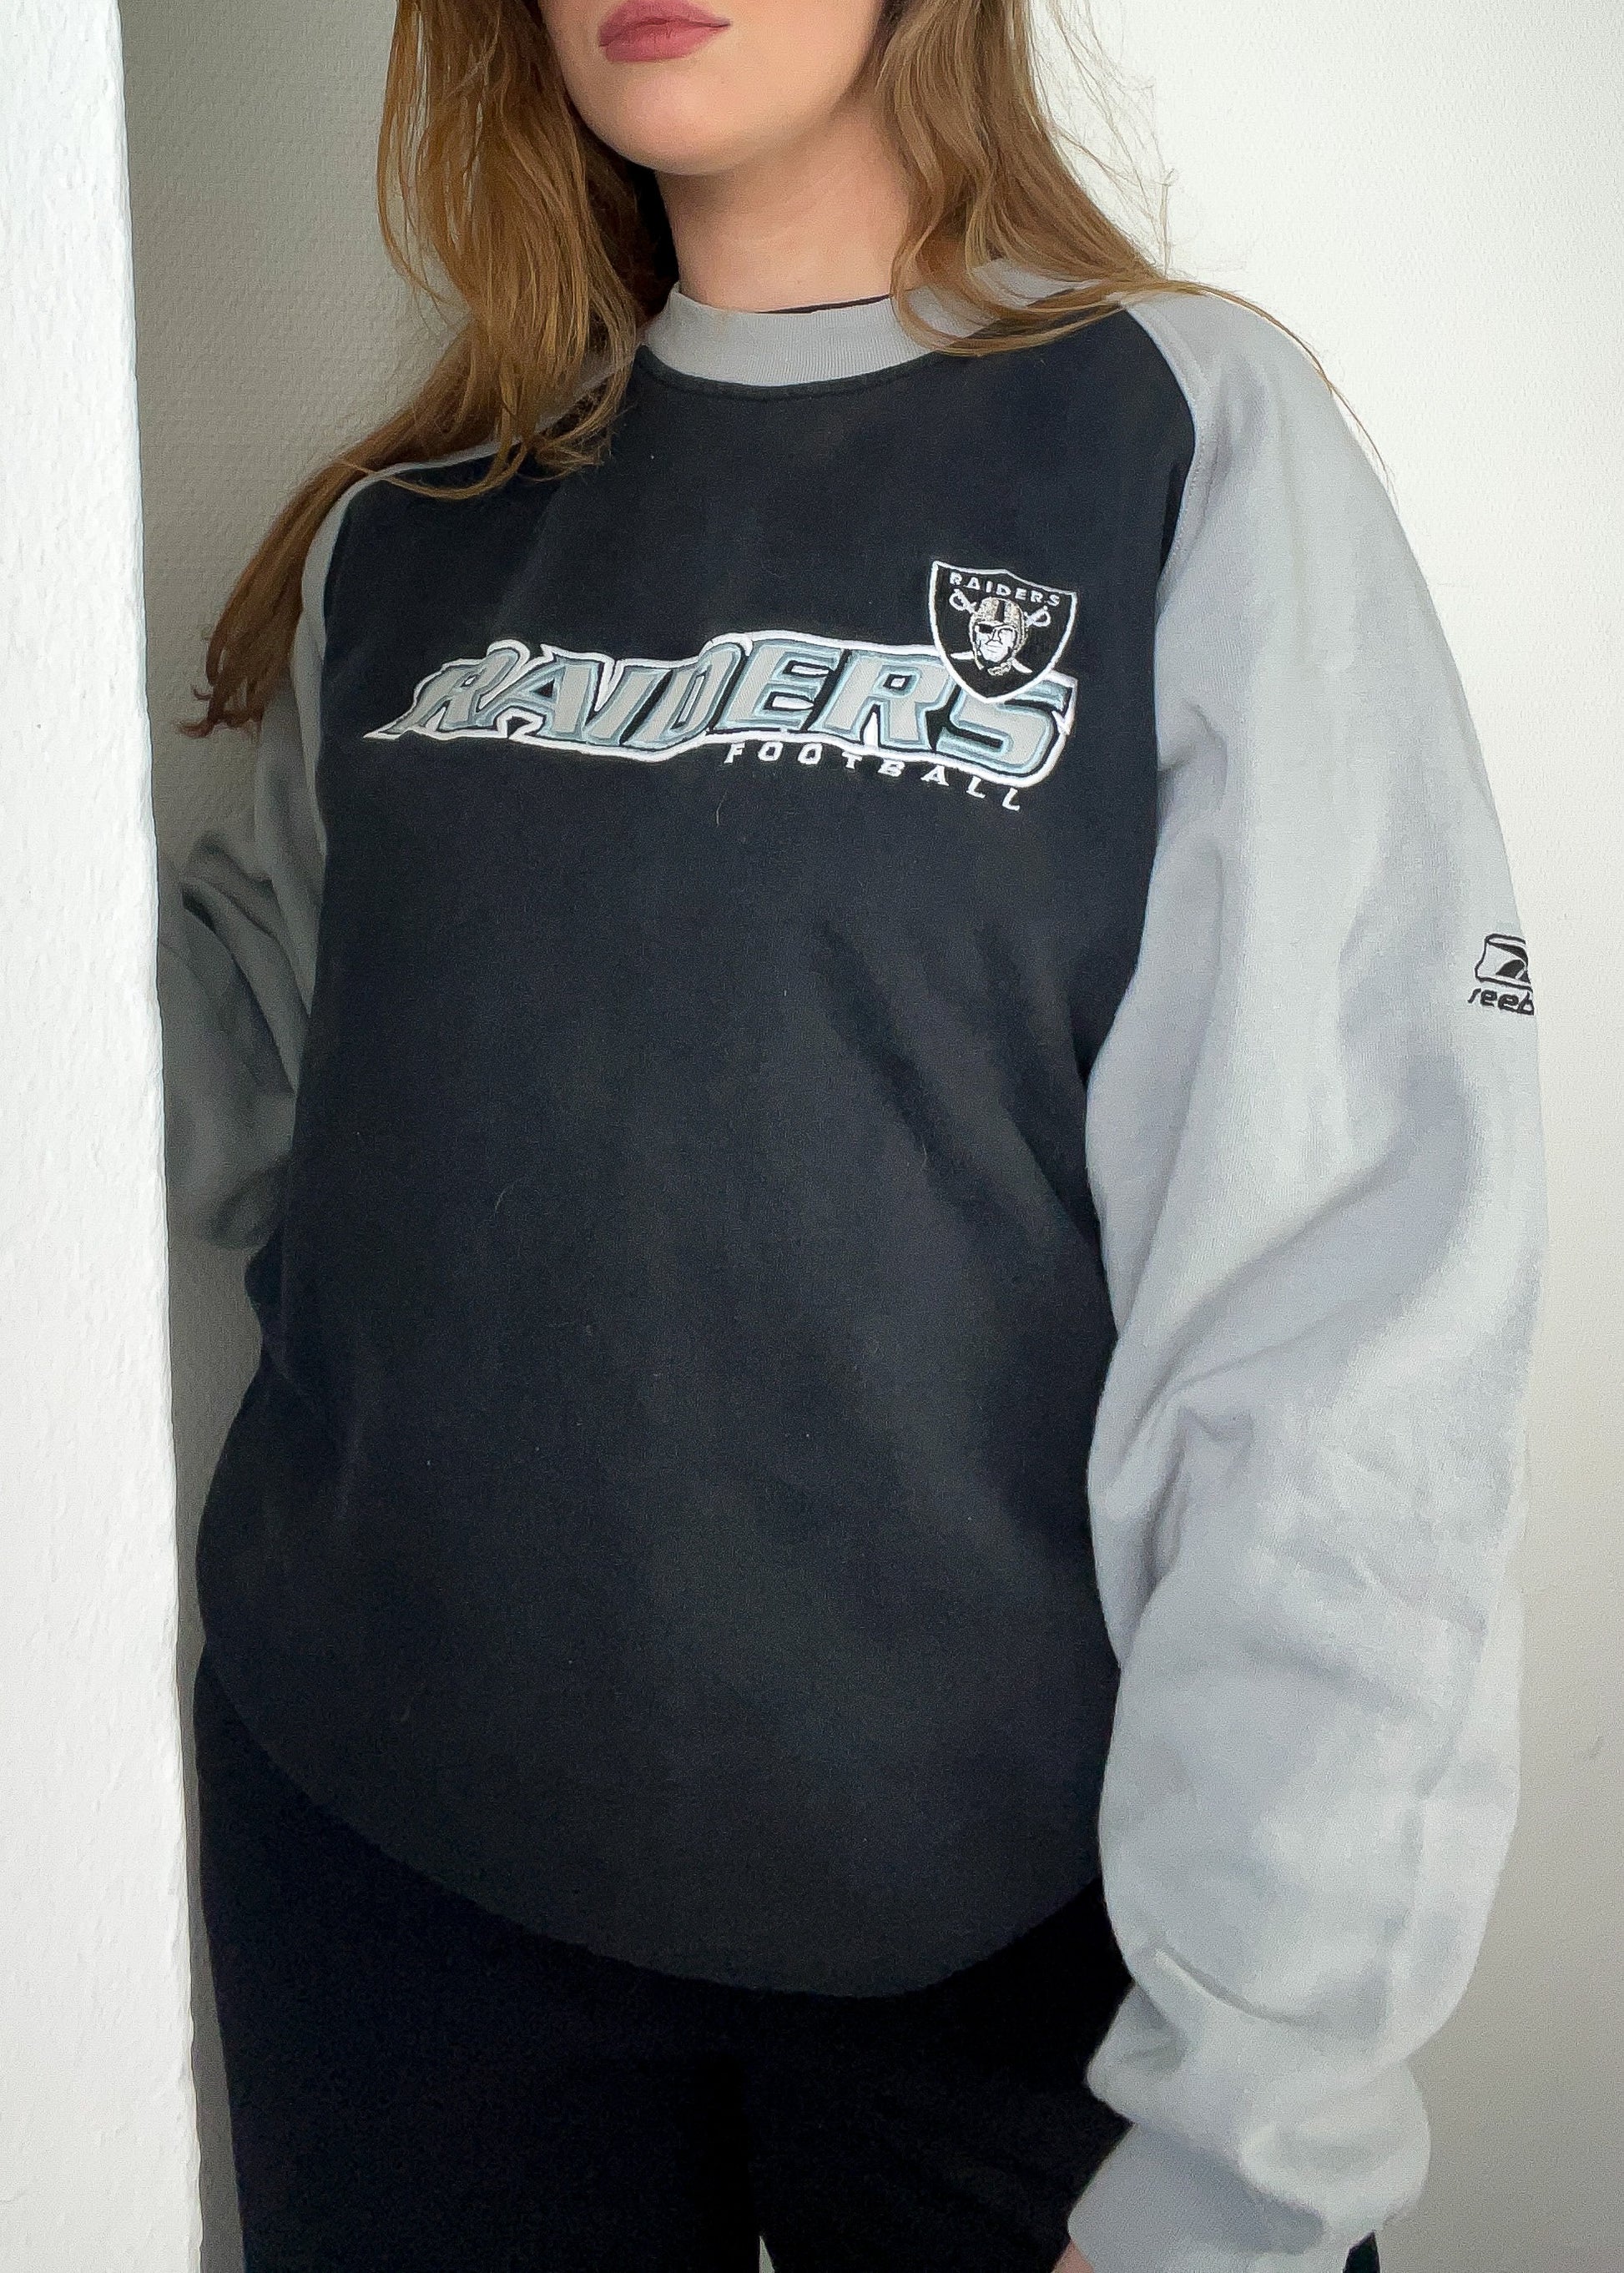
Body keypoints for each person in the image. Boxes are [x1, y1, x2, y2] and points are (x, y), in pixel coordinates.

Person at [155, 2, 1546, 2268]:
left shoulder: (1174, 436)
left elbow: (1340, 1327)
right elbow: (241, 1091)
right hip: (391, 1896)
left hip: (1003, 1957)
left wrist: (1253, 2136)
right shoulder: (410, 538)